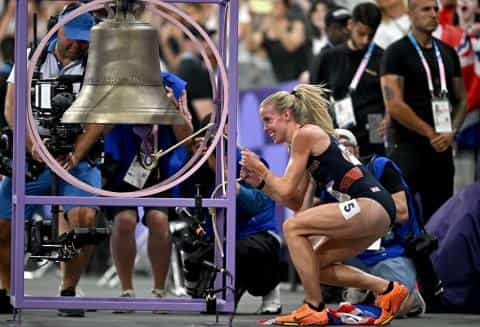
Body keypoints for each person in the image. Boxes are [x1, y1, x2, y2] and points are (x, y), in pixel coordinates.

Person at [240, 84, 408, 326]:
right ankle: (388, 289)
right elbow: (295, 201)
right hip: (375, 211)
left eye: (268, 120)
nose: (265, 128)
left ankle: (314, 307)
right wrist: (260, 184)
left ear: (287, 115)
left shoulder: (304, 135)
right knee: (314, 265)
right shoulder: (301, 143)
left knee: (292, 227)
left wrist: (262, 169)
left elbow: (286, 189)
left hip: (370, 204)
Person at [0, 4, 102, 317]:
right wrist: (32, 145)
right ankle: (4, 289)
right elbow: (12, 107)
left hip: (77, 157)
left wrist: (78, 151)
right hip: (34, 154)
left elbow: (101, 118)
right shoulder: (31, 57)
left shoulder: (97, 65)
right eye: (72, 37)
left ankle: (68, 289)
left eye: (84, 39)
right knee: (3, 223)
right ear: (57, 29)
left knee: (84, 219)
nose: (77, 44)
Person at [103, 73, 193, 311]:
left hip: (158, 165)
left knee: (159, 220)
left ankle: (159, 291)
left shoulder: (174, 86)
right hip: (123, 163)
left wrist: (172, 108)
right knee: (124, 221)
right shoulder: (114, 82)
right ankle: (126, 291)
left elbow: (188, 139)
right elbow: (100, 129)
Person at [380, 0, 468, 222]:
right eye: (426, 9)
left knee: (440, 217)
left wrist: (451, 132)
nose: (434, 14)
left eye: (436, 9)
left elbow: (461, 100)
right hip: (408, 147)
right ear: (410, 14)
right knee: (403, 216)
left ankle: (436, 257)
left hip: (441, 150)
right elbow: (394, 104)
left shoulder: (448, 52)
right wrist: (430, 133)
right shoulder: (396, 52)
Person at [186, 114, 282, 314]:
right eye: (215, 135)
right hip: (220, 239)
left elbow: (256, 204)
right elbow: (183, 196)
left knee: (242, 251)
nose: (223, 137)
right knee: (194, 258)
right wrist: (194, 158)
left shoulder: (251, 160)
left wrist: (224, 173)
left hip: (258, 235)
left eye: (227, 131)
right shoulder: (197, 164)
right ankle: (221, 291)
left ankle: (270, 289)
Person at [332, 129, 426, 317]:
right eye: (336, 147)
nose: (343, 150)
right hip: (352, 251)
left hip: (388, 250)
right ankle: (362, 289)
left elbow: (402, 213)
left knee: (395, 307)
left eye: (347, 146)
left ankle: (410, 296)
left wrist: (361, 208)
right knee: (309, 244)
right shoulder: (329, 180)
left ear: (357, 150)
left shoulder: (380, 167)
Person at [311, 2, 385, 156]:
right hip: (341, 130)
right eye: (361, 33)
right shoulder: (328, 57)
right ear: (351, 24)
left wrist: (388, 119)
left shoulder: (382, 58)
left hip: (374, 126)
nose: (365, 40)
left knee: (374, 171)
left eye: (371, 35)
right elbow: (314, 98)